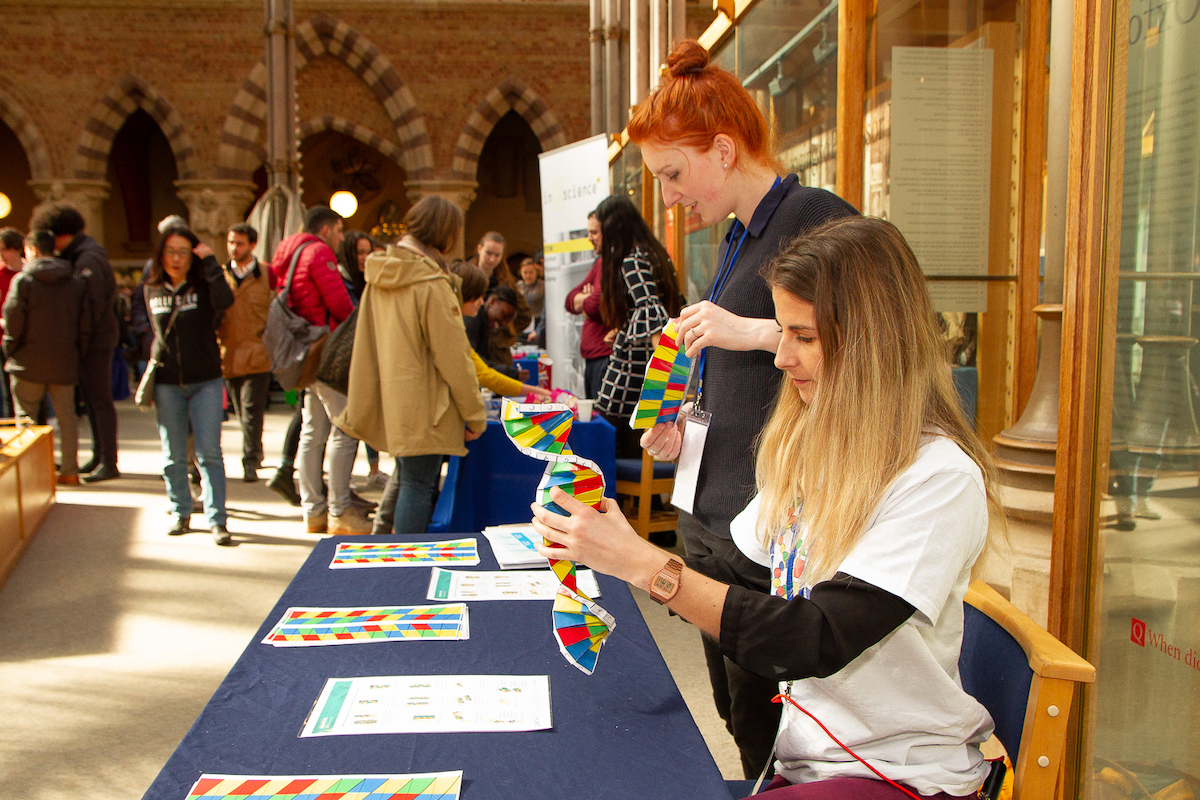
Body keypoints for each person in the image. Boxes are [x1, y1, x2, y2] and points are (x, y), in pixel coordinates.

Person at [532, 216, 1003, 800]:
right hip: (813, 757)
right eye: (781, 331)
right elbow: (743, 579)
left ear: (875, 341)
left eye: (802, 337)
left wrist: (644, 566)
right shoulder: (815, 443)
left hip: (896, 774)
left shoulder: (939, 477)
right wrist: (613, 542)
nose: (780, 357)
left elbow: (812, 639)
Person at [629, 39, 859, 777]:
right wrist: (684, 418)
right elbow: (743, 367)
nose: (667, 196)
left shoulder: (815, 217)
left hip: (769, 529)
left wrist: (753, 330)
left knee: (770, 735)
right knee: (737, 714)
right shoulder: (736, 237)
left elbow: (872, 345)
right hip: (714, 513)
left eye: (673, 173)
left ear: (723, 150)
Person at [336, 196, 486, 535]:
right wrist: (475, 413)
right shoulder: (430, 282)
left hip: (394, 395)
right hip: (429, 403)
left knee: (408, 479)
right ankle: (408, 567)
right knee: (418, 485)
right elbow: (454, 357)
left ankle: (393, 552)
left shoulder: (381, 273)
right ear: (445, 233)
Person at [271, 205, 370, 535]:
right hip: (326, 351)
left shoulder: (287, 252)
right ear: (326, 229)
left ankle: (312, 510)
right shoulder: (319, 252)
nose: (341, 238)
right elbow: (340, 304)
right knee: (346, 428)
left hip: (304, 353)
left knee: (313, 432)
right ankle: (339, 510)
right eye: (339, 231)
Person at [143, 225, 235, 546]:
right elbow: (153, 332)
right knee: (173, 455)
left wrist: (210, 262)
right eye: (171, 251)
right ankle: (180, 510)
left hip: (206, 380)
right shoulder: (152, 288)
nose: (176, 258)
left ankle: (217, 519)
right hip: (168, 383)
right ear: (161, 254)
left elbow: (226, 300)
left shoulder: (204, 285)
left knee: (209, 452)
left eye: (184, 252)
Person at [31, 203, 123, 482]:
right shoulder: (84, 255)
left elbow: (90, 307)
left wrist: (80, 341)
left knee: (100, 399)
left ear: (61, 235)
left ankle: (108, 460)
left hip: (95, 340)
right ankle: (100, 456)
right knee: (95, 401)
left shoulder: (87, 259)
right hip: (92, 338)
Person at [592, 194, 684, 458]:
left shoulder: (630, 259)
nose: (595, 238)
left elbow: (648, 305)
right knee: (637, 440)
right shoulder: (653, 252)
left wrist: (663, 360)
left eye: (598, 231)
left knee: (614, 434)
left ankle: (625, 497)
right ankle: (646, 500)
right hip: (642, 362)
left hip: (632, 367)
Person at [2, 230, 90, 483]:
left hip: (26, 361)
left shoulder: (23, 280)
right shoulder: (73, 281)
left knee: (26, 418)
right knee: (67, 418)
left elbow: (13, 319)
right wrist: (76, 352)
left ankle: (31, 479)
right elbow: (84, 323)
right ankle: (70, 472)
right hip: (64, 360)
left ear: (32, 250)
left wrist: (11, 349)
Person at [218, 223, 274, 483]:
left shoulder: (267, 275)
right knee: (241, 410)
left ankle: (250, 460)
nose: (233, 248)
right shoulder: (219, 276)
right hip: (228, 353)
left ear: (252, 245)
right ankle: (256, 450)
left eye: (239, 243)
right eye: (230, 242)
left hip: (258, 352)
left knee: (252, 408)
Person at [338, 230, 388, 489]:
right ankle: (339, 494)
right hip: (343, 364)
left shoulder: (364, 281)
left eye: (368, 251)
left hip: (363, 360)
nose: (365, 257)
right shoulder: (342, 280)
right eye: (359, 252)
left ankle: (372, 470)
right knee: (343, 431)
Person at [565, 211, 612, 399]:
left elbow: (596, 305)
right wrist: (588, 299)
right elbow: (569, 300)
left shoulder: (610, 263)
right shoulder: (599, 262)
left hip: (604, 358)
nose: (589, 238)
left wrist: (587, 300)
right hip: (593, 358)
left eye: (594, 233)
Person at [471, 232, 531, 373]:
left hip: (497, 351)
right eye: (488, 253)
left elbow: (525, 314)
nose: (492, 259)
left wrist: (505, 328)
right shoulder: (466, 275)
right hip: (472, 345)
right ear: (479, 249)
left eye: (497, 255)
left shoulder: (505, 280)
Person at [0, 227, 24, 420]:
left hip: (27, 340)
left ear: (16, 248)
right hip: (3, 339)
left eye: (4, 249)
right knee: (7, 391)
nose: (1, 254)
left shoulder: (30, 272)